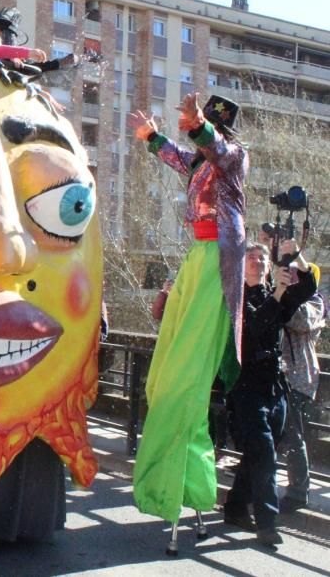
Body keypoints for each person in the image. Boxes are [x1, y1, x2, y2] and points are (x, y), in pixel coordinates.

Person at [129, 92, 248, 527]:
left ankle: (177, 483)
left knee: (184, 382)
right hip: (198, 254)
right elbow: (179, 156)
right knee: (162, 378)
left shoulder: (233, 157)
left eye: (207, 126)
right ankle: (190, 484)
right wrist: (152, 135)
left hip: (219, 258)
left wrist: (200, 125)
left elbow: (215, 147)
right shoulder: (199, 163)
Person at [224, 240, 316, 545]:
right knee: (263, 452)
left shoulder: (273, 293)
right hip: (246, 385)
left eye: (262, 259)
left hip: (275, 385)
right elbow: (256, 326)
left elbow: (308, 289)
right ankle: (267, 522)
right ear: (242, 265)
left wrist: (296, 256)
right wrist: (278, 292)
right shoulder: (236, 298)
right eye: (250, 258)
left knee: (261, 452)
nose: (257, 262)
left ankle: (236, 506)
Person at [278, 264, 324, 512]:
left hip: (298, 377)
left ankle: (298, 492)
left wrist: (282, 296)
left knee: (293, 434)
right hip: (276, 374)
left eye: (297, 275)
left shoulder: (314, 302)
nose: (291, 278)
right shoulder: (281, 295)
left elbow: (299, 319)